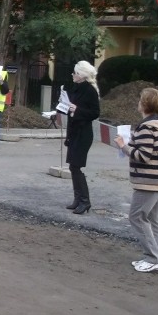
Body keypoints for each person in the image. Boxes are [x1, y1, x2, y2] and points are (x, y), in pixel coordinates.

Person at [114, 88, 158, 273]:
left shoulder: (147, 127)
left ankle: (153, 257)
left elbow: (143, 155)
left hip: (148, 181)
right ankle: (156, 257)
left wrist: (124, 147)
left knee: (136, 217)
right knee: (153, 219)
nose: (138, 102)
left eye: (140, 99)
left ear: (145, 104)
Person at [64, 60, 101, 214]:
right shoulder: (77, 88)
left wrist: (77, 109)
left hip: (83, 133)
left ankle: (85, 201)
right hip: (74, 131)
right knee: (73, 166)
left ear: (82, 75)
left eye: (75, 73)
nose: (73, 75)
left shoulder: (90, 90)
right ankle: (77, 198)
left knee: (76, 166)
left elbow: (94, 113)